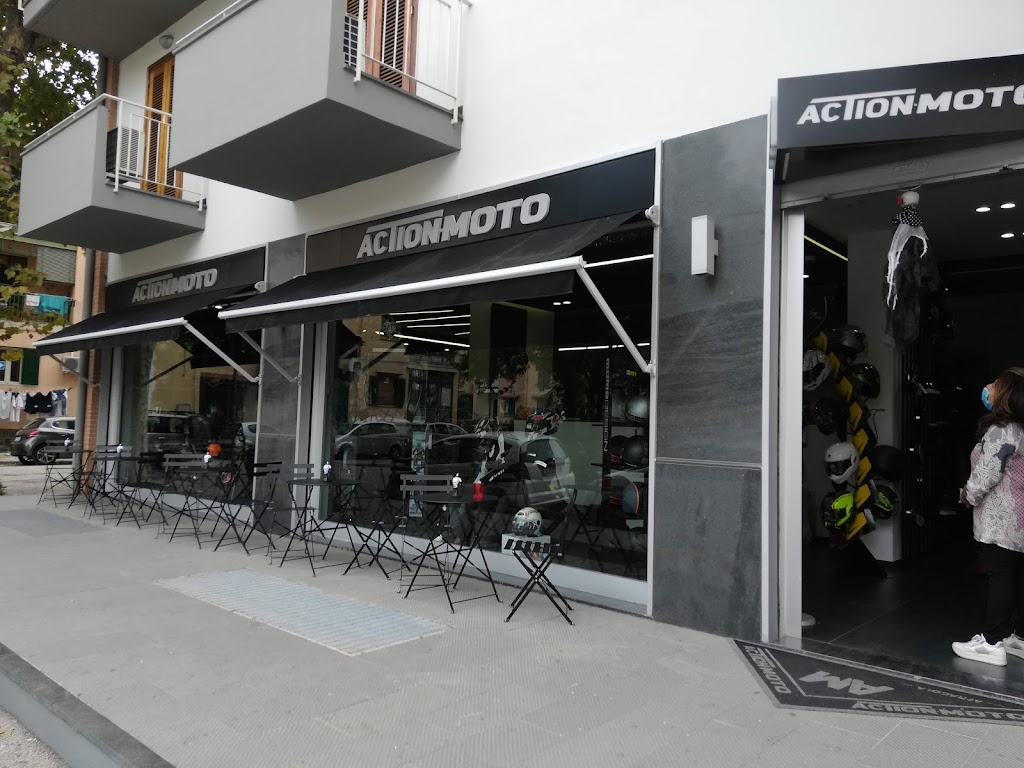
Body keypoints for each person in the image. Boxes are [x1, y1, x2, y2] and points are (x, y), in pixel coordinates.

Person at [952, 368, 1024, 666]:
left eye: (995, 384)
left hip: (1002, 519)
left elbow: (986, 474)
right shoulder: (1021, 429)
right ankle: (1018, 639)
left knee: (1001, 575)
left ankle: (992, 643)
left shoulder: (1002, 431)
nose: (988, 386)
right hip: (1019, 518)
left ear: (1005, 394)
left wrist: (967, 495)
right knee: (1018, 576)